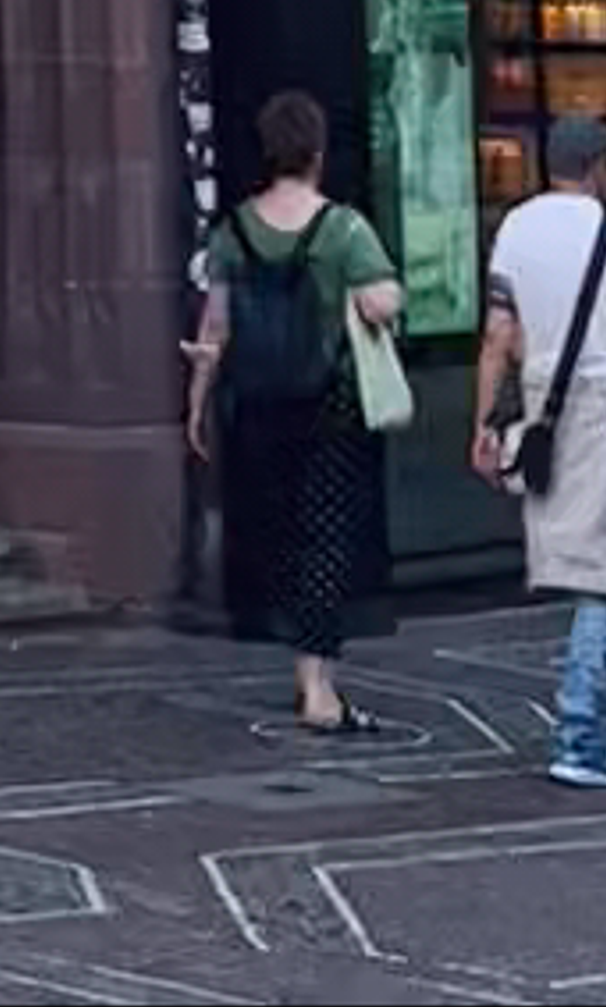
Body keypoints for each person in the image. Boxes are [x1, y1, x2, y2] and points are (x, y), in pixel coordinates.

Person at [182, 85, 404, 737]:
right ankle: (318, 682)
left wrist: (196, 403)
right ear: (317, 150)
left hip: (256, 403)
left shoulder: (233, 231)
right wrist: (375, 300)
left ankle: (301, 659)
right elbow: (384, 299)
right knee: (327, 540)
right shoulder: (342, 228)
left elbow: (214, 324)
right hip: (330, 406)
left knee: (281, 533)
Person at [471, 117, 606, 790]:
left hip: (543, 406)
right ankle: (580, 729)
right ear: (599, 164)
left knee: (597, 568)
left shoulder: (515, 229)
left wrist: (482, 423)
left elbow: (498, 333)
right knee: (600, 573)